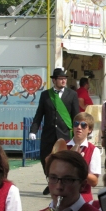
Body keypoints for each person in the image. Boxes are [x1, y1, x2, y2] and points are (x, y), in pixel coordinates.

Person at [29, 68, 79, 196]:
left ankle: (62, 185)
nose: (63, 81)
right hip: (48, 134)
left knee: (64, 161)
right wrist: (33, 130)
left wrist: (78, 133)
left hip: (64, 134)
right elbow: (39, 114)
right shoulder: (45, 95)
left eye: (65, 78)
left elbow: (76, 116)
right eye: (61, 79)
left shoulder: (72, 94)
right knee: (45, 159)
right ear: (54, 80)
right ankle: (50, 181)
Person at [67, 112, 102, 202]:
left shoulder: (94, 150)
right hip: (64, 195)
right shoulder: (64, 146)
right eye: (76, 124)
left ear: (90, 130)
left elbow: (94, 182)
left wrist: (78, 168)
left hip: (83, 198)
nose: (79, 127)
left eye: (83, 125)